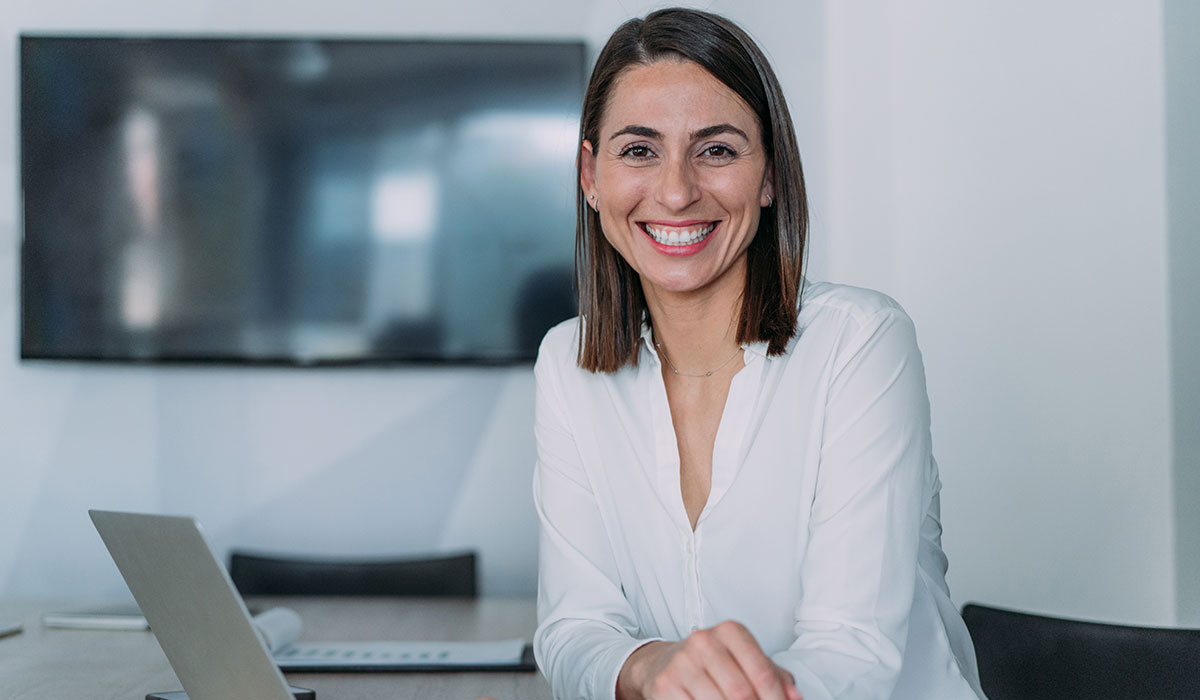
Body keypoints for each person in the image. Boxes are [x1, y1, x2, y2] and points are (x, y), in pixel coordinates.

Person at [530, 8, 986, 700]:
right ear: (591, 176)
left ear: (768, 174)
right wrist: (652, 667)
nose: (677, 191)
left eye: (715, 150)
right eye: (639, 150)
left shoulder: (860, 343)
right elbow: (573, 628)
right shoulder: (567, 365)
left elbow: (854, 652)